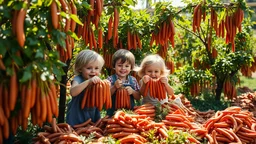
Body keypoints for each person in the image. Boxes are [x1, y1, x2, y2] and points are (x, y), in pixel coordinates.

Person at [66, 49, 105, 126]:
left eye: (96, 68)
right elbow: (73, 92)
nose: (93, 71)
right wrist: (88, 82)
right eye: (89, 68)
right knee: (76, 134)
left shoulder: (97, 81)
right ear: (80, 69)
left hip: (92, 114)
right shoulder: (78, 79)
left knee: (92, 133)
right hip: (77, 116)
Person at [106, 49, 141, 117]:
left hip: (129, 114)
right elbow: (106, 96)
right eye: (120, 65)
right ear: (114, 66)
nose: (123, 68)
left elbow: (138, 97)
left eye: (127, 66)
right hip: (113, 114)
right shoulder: (110, 80)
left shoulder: (133, 80)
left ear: (131, 68)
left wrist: (133, 92)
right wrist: (114, 87)